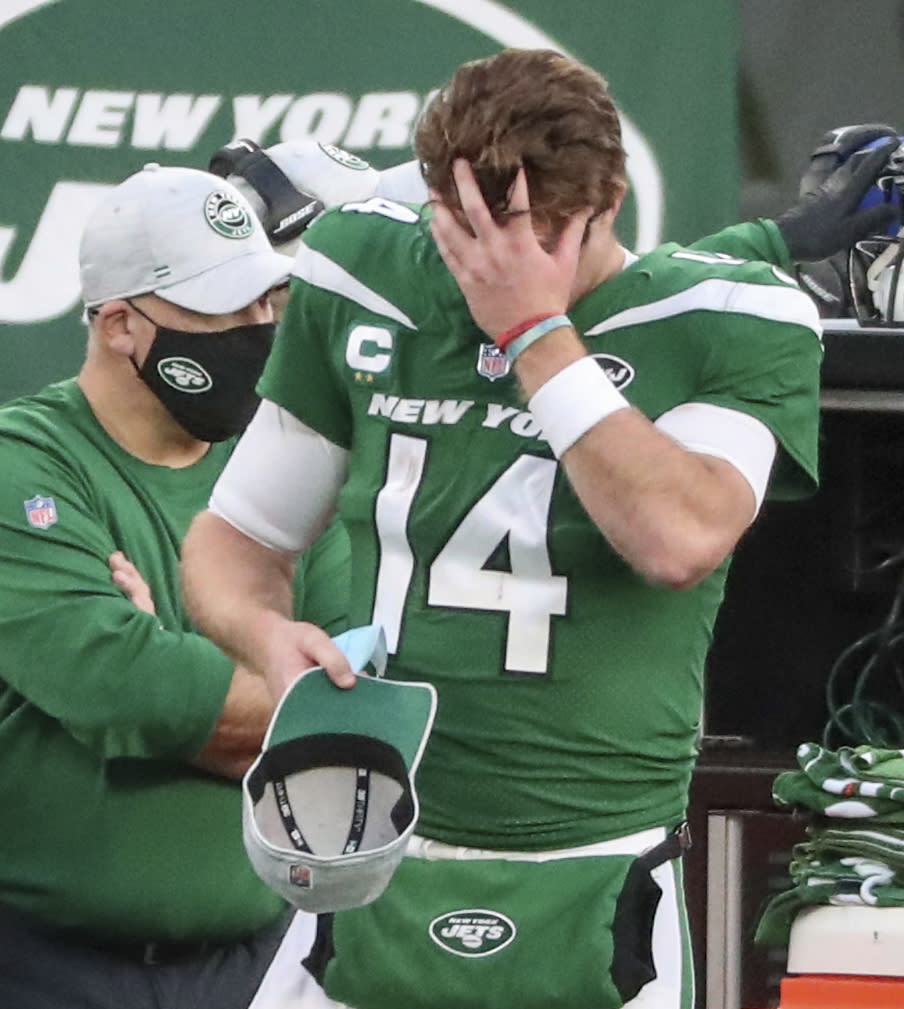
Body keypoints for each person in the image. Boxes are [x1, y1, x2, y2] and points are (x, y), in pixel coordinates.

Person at [185, 78, 898, 1009]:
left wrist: (534, 334)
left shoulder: (727, 313)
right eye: (467, 231)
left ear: (607, 204)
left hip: (592, 860)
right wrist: (265, 637)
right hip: (374, 840)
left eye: (534, 236)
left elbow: (680, 539)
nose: (495, 260)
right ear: (433, 199)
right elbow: (237, 541)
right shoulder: (363, 269)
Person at [0, 162, 348, 1009]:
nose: (258, 329)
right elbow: (116, 685)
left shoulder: (289, 472)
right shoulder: (24, 462)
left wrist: (179, 659)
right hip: (48, 967)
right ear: (120, 324)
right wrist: (250, 671)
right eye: (223, 307)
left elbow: (356, 705)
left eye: (268, 303)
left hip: (262, 962)